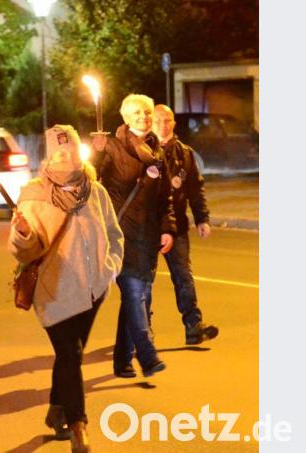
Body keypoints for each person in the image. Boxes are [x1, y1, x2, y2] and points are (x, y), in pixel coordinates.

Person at [9, 125, 123, 453]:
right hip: (53, 289)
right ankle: (79, 425)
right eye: (59, 151)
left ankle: (56, 408)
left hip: (93, 289)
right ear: (48, 154)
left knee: (69, 356)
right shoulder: (34, 192)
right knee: (70, 353)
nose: (66, 156)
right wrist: (23, 235)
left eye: (71, 149)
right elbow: (22, 249)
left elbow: (115, 235)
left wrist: (110, 267)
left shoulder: (95, 190)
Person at [91, 94, 176, 379]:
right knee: (135, 294)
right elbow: (91, 182)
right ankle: (148, 356)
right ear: (126, 118)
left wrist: (167, 228)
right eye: (138, 112)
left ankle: (122, 360)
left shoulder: (157, 151)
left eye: (148, 112)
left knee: (139, 298)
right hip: (120, 234)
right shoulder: (112, 148)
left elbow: (165, 198)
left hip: (148, 235)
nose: (144, 116)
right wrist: (96, 153)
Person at [152, 104, 219, 345]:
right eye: (158, 119)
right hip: (147, 228)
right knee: (143, 283)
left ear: (173, 123)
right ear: (151, 122)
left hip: (177, 226)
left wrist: (202, 218)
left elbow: (195, 189)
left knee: (183, 276)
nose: (163, 124)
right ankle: (142, 331)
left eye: (167, 119)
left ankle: (193, 326)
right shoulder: (142, 151)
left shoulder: (185, 153)